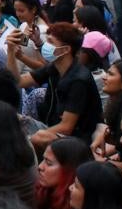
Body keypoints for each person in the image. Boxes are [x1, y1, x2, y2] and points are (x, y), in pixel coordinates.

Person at [6, 22, 103, 150]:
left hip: (77, 139)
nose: (46, 45)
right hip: (51, 126)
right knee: (7, 117)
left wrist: (29, 138)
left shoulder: (79, 80)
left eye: (51, 42)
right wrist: (10, 52)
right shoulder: (54, 67)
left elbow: (66, 127)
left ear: (66, 49)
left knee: (38, 137)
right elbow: (19, 81)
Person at [34, 137, 91, 209]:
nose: (40, 167)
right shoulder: (41, 192)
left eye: (49, 163)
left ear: (69, 170)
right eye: (43, 160)